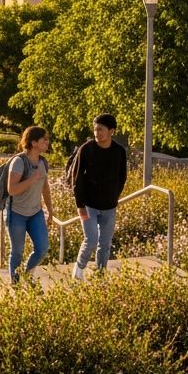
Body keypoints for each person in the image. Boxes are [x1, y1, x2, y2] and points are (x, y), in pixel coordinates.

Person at [71, 113, 128, 280]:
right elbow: (77, 178)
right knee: (91, 240)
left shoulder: (119, 151)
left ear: (111, 131)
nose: (97, 133)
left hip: (109, 206)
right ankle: (79, 269)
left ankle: (100, 274)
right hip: (88, 204)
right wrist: (80, 205)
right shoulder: (86, 149)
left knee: (105, 244)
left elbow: (122, 177)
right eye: (95, 129)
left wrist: (114, 196)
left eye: (101, 129)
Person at [6, 126, 54, 284]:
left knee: (42, 249)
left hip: (35, 213)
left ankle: (27, 274)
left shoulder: (42, 162)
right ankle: (16, 284)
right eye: (44, 140)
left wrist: (50, 210)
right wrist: (31, 179)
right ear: (34, 143)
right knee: (17, 252)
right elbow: (12, 189)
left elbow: (45, 187)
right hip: (17, 214)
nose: (47, 142)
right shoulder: (19, 162)